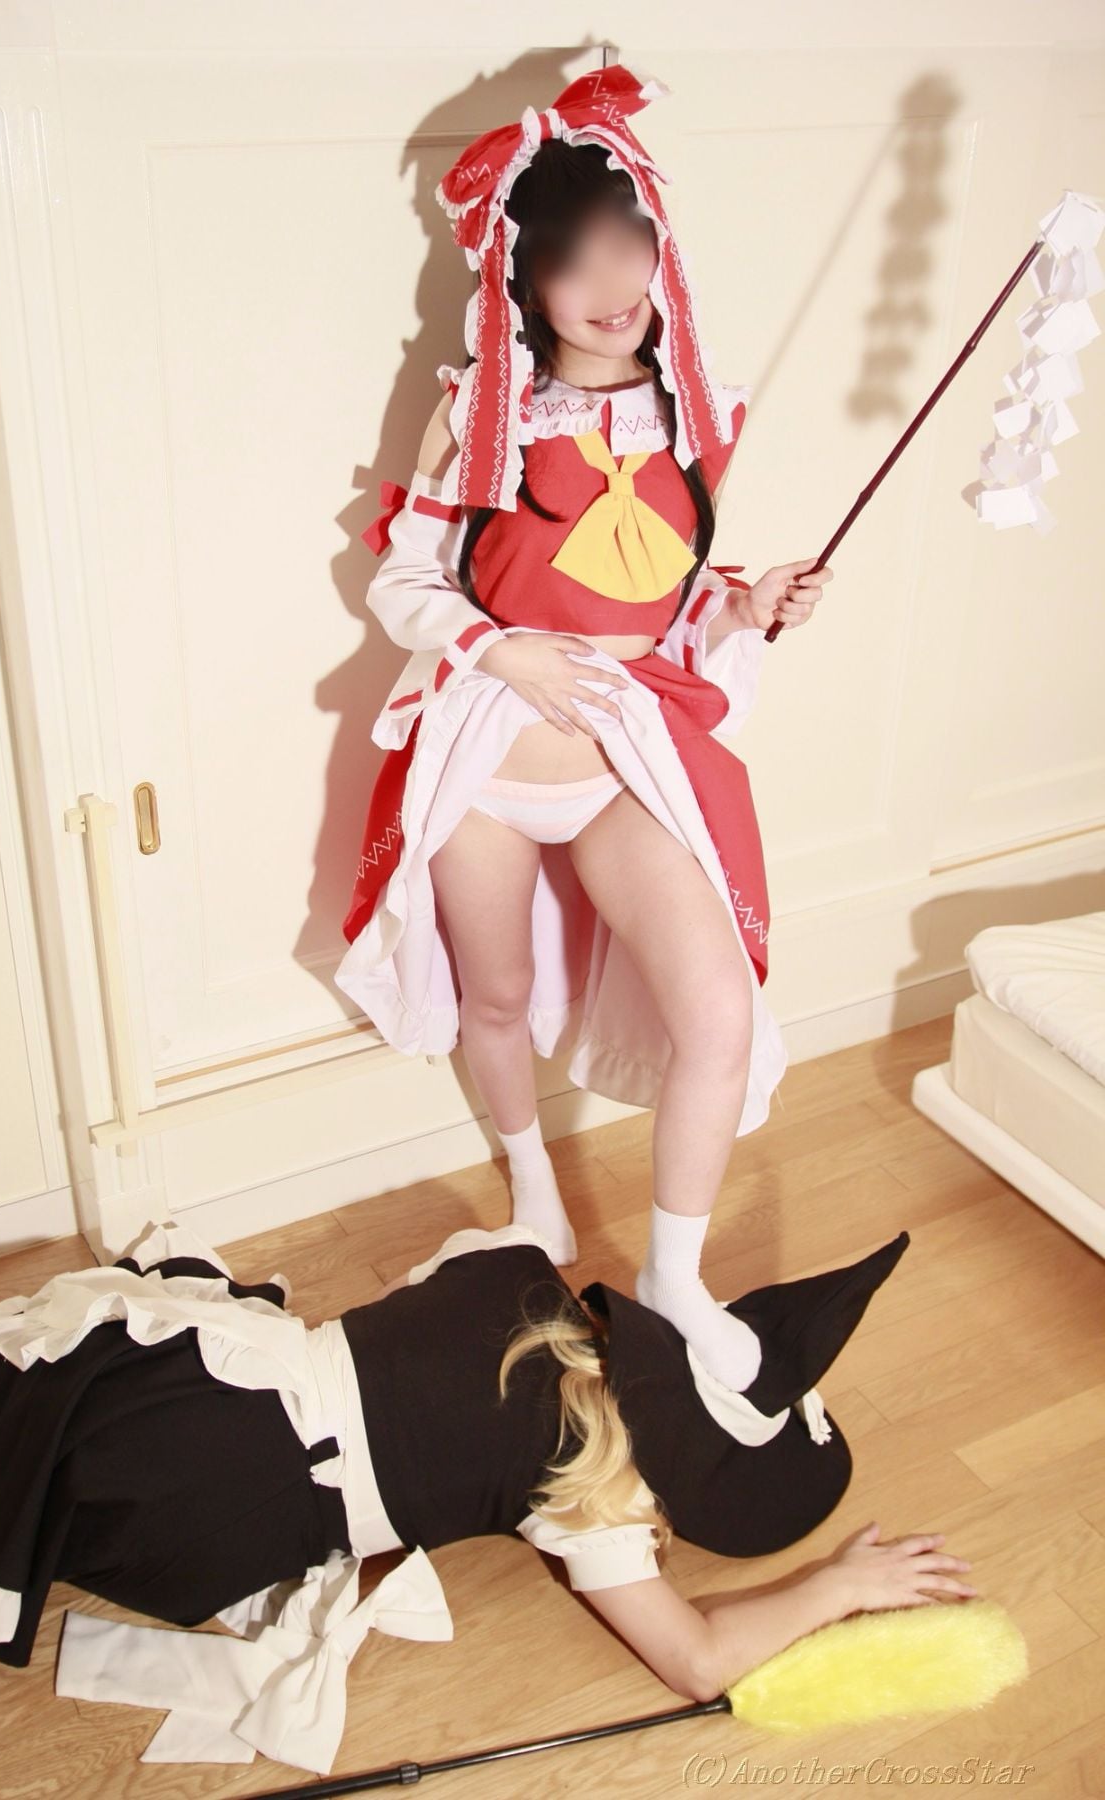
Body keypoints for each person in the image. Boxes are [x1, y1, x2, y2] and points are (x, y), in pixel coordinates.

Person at [335, 64, 834, 1392]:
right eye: (573, 259)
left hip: (622, 763)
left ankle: (674, 1280)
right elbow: (403, 580)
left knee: (717, 1009)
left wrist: (752, 605)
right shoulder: (478, 411)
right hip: (489, 765)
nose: (613, 282)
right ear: (524, 282)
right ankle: (538, 1204)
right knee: (494, 995)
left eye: (631, 243)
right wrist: (499, 646)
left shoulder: (699, 416)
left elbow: (672, 600)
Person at [0, 1215, 974, 1776]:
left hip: (180, 1378)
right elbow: (697, 1662)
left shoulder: (511, 1266)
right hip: (206, 1509)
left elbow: (409, 1302)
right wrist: (838, 1587)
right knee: (46, 1487)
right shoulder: (587, 1499)